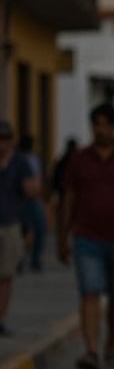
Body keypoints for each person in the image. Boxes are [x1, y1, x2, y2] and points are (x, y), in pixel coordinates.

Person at [58, 103, 114, 369]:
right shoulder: (79, 160)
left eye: (106, 124)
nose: (101, 130)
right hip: (87, 236)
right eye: (96, 124)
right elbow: (69, 199)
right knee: (90, 290)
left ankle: (110, 344)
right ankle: (91, 350)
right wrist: (61, 237)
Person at [0, 121, 39, 336]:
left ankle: (0, 318)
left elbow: (30, 194)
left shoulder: (19, 163)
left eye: (4, 140)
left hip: (11, 222)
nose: (1, 145)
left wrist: (28, 228)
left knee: (6, 274)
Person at [18, 134, 47, 271]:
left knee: (29, 230)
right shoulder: (24, 159)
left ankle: (27, 258)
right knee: (34, 229)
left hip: (30, 198)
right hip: (28, 199)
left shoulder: (27, 158)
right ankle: (28, 258)